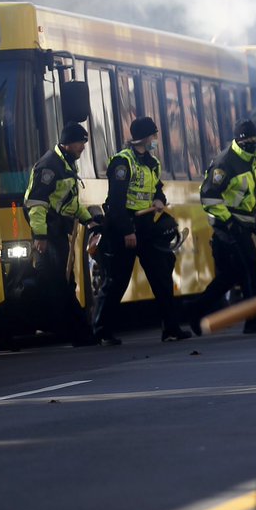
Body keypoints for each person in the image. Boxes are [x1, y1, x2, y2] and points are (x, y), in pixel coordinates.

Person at [94, 117, 191, 345]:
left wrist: (159, 199)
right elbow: (116, 203)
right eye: (153, 136)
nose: (155, 140)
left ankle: (171, 328)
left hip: (147, 227)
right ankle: (101, 330)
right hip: (124, 227)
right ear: (145, 137)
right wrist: (128, 231)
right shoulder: (122, 163)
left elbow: (157, 189)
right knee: (117, 280)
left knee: (162, 277)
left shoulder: (152, 163)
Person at [187, 120, 256, 335]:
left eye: (255, 140)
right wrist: (228, 221)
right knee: (252, 268)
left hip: (245, 223)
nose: (252, 144)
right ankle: (254, 321)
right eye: (247, 141)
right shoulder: (225, 163)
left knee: (230, 275)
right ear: (238, 140)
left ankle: (194, 310)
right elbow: (209, 196)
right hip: (228, 227)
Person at [23, 123, 100, 346]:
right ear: (68, 143)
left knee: (64, 283)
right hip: (49, 233)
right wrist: (40, 237)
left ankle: (77, 333)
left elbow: (69, 202)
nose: (83, 148)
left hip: (56, 232)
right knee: (58, 284)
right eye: (80, 143)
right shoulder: (49, 167)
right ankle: (78, 333)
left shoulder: (65, 164)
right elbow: (37, 205)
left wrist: (89, 219)